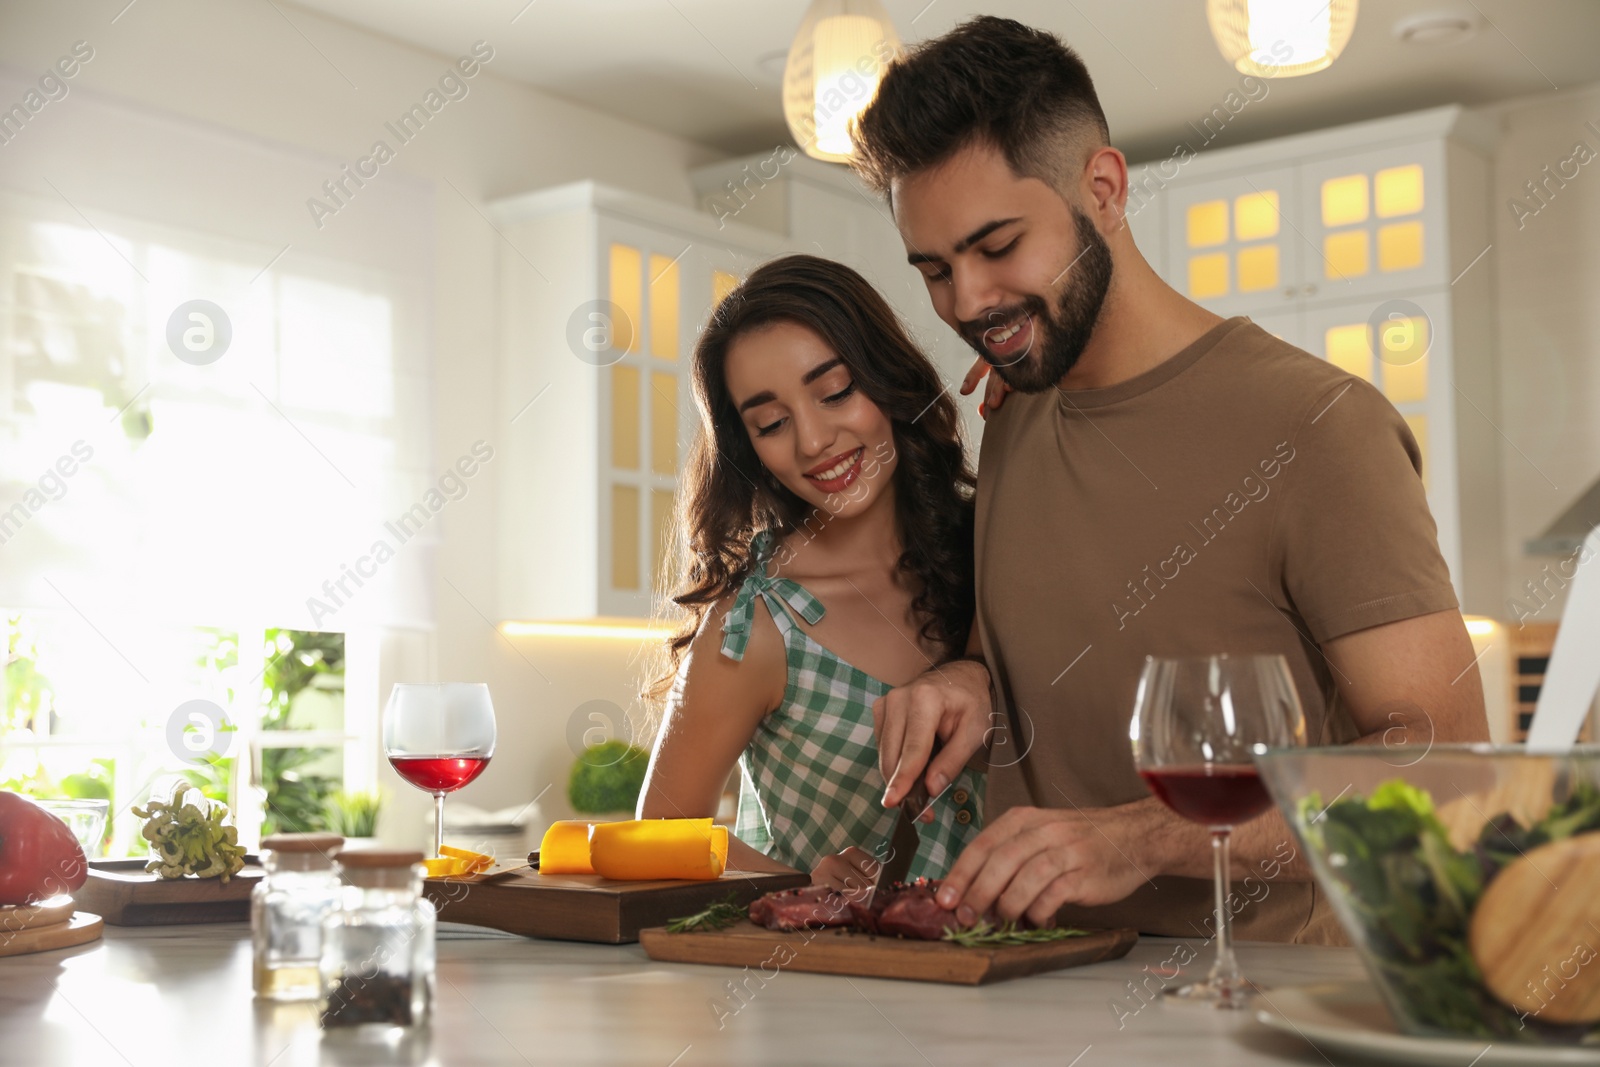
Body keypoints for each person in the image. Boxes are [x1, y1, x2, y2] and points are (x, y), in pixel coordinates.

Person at [843, 16, 1491, 943]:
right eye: (936, 269)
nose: (968, 302)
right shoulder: (1017, 412)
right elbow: (1020, 659)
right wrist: (966, 684)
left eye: (998, 246)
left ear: (1103, 189)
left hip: (1265, 1004)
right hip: (1028, 989)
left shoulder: (1317, 428)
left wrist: (1143, 837)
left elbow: (1446, 769)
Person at [636, 254, 984, 880]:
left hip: (1040, 963)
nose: (813, 442)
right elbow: (660, 835)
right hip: (842, 973)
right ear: (750, 448)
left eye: (835, 393)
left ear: (887, 378)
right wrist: (801, 884)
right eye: (772, 423)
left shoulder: (991, 551)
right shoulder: (757, 625)